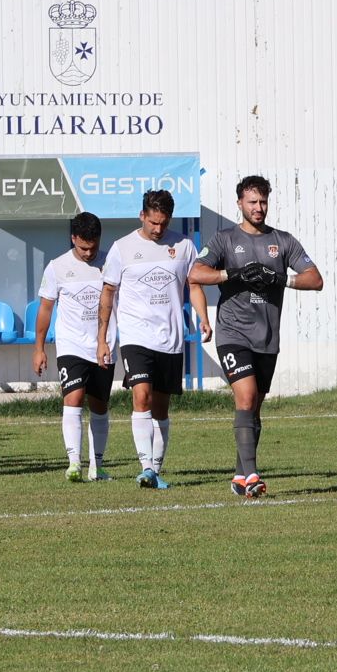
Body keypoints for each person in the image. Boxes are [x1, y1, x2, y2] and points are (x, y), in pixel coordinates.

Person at [193, 176, 322, 494]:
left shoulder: (283, 240)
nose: (258, 208)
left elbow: (315, 279)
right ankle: (251, 475)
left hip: (267, 337)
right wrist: (230, 274)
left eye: (263, 202)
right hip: (233, 332)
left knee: (254, 407)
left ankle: (240, 476)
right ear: (239, 203)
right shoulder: (224, 239)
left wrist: (281, 279)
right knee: (247, 396)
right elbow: (195, 273)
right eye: (252, 202)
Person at [98, 189, 204, 491]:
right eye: (152, 222)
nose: (157, 229)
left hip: (170, 339)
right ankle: (145, 465)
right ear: (142, 215)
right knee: (141, 396)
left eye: (163, 223)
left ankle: (155, 470)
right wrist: (103, 338)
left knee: (161, 407)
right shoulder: (122, 248)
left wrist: (202, 318)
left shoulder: (183, 246)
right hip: (135, 336)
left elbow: (193, 283)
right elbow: (108, 293)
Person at [36, 211, 115, 482]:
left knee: (100, 405)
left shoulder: (111, 262)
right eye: (83, 247)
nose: (89, 253)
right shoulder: (57, 266)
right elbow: (45, 309)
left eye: (93, 247)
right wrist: (39, 348)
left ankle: (97, 466)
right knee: (73, 398)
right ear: (73, 239)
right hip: (71, 345)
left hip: (104, 345)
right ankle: (73, 464)